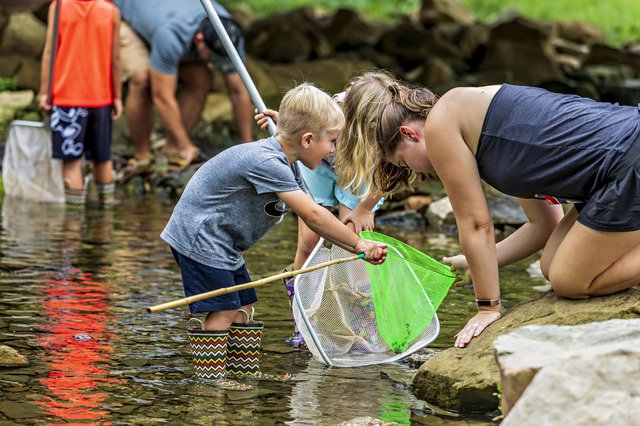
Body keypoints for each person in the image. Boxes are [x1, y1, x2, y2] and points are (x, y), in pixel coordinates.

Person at [336, 72, 640, 349]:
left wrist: (488, 307)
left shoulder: (442, 125)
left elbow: (476, 225)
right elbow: (544, 226)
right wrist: (471, 261)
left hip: (627, 160)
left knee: (569, 280)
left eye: (404, 164)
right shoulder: (475, 122)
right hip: (612, 171)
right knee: (550, 266)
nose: (421, 177)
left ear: (409, 134)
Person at [160, 83, 386, 377]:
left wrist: (344, 238)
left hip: (223, 242)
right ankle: (210, 384)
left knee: (245, 303)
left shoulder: (288, 163)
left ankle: (243, 372)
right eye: (332, 141)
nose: (333, 151)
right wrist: (358, 245)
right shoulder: (268, 163)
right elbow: (314, 215)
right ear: (306, 140)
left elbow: (315, 211)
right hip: (201, 238)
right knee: (225, 309)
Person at [254, 72, 392, 347]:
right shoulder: (334, 106)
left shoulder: (386, 122)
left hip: (361, 170)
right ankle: (304, 320)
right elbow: (308, 129)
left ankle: (359, 324)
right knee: (309, 241)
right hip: (321, 162)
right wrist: (285, 125)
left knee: (354, 243)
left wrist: (365, 208)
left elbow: (392, 172)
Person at [114, 0, 253, 170]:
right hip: (129, 19)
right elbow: (162, 97)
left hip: (163, 23)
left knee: (201, 78)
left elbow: (239, 90)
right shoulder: (172, 33)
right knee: (142, 80)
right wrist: (186, 145)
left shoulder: (228, 32)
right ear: (199, 39)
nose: (217, 63)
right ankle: (142, 155)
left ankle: (171, 148)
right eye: (212, 57)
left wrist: (249, 147)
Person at [39, 0, 122, 207]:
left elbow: (50, 52)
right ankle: (106, 219)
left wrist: (44, 92)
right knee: (103, 158)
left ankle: (72, 227)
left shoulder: (59, 6)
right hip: (101, 97)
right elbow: (116, 59)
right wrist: (117, 96)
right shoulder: (111, 11)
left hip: (67, 99)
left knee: (72, 162)